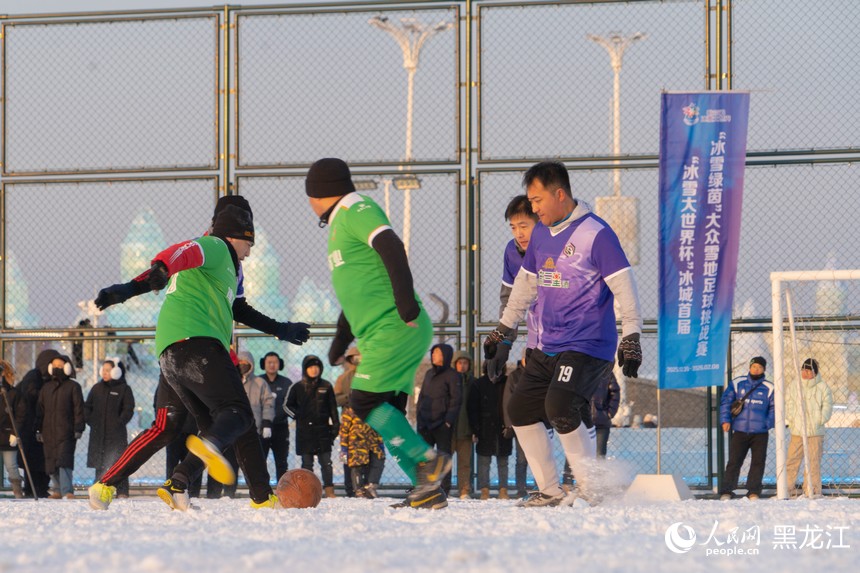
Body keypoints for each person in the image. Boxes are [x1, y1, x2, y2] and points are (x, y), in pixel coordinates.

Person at [87, 196, 309, 511]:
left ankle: (108, 486)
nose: (250, 251)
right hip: (197, 344)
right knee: (238, 414)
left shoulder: (231, 270)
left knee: (175, 424)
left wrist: (281, 329)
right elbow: (180, 253)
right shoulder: (216, 246)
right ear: (236, 234)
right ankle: (201, 482)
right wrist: (133, 286)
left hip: (172, 350)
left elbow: (237, 307)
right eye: (249, 243)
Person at [484, 161, 643, 507]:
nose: (534, 208)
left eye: (538, 200)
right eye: (530, 200)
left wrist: (631, 335)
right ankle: (551, 491)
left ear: (559, 194)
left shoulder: (596, 234)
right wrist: (503, 332)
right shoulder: (541, 233)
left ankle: (594, 491)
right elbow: (525, 287)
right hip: (549, 343)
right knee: (520, 410)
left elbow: (624, 286)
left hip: (588, 345)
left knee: (560, 406)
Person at [306, 157, 451, 510]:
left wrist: (406, 304)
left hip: (396, 326)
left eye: (309, 193)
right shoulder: (341, 221)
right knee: (389, 411)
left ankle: (428, 462)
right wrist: (340, 341)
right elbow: (356, 291)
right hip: (381, 331)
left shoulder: (356, 208)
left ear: (321, 192)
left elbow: (390, 244)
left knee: (365, 401)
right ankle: (426, 488)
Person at [486, 195, 539, 382]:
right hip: (537, 335)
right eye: (513, 227)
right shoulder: (511, 252)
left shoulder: (555, 249)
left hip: (568, 337)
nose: (519, 233)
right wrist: (504, 341)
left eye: (524, 226)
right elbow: (508, 300)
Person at [208, 351, 274, 498]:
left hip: (250, 429)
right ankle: (216, 494)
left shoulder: (259, 383)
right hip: (229, 430)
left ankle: (243, 493)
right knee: (225, 462)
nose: (243, 366)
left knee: (247, 463)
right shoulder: (228, 381)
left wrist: (267, 422)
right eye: (241, 363)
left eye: (247, 363)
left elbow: (268, 403)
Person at [719, 356, 775, 501]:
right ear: (749, 368)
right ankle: (727, 490)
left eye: (760, 367)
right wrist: (725, 420)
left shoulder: (770, 387)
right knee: (734, 461)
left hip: (760, 432)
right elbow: (726, 402)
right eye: (754, 366)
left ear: (764, 369)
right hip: (740, 430)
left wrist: (767, 423)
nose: (756, 369)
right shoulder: (737, 383)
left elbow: (774, 408)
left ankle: (753, 491)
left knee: (758, 462)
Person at [285, 355, 339, 498]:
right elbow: (286, 406)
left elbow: (333, 408)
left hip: (323, 431)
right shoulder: (297, 387)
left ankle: (329, 491)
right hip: (305, 432)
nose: (314, 370)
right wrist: (297, 415)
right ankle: (307, 491)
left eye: (316, 367)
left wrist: (335, 426)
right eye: (310, 367)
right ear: (305, 369)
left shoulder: (326, 386)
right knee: (307, 464)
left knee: (326, 463)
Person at [84, 358, 135, 498]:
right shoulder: (96, 388)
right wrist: (91, 421)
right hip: (98, 432)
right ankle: (99, 490)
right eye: (103, 370)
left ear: (116, 371)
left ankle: (122, 491)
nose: (104, 373)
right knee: (99, 463)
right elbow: (87, 407)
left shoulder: (124, 389)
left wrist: (120, 421)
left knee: (119, 462)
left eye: (108, 370)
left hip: (116, 434)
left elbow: (128, 409)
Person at [36, 355, 84, 499]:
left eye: (60, 365)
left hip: (66, 431)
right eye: (54, 365)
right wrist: (38, 429)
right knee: (51, 462)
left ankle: (67, 490)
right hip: (48, 431)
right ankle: (57, 489)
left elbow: (79, 409)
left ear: (67, 367)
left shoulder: (73, 387)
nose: (57, 368)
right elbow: (40, 411)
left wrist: (78, 428)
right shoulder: (46, 388)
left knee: (64, 461)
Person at [416, 343, 461, 496]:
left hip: (442, 425)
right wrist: (419, 420)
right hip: (426, 424)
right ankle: (423, 487)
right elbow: (421, 398)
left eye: (437, 353)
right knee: (423, 458)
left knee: (443, 458)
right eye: (433, 352)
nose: (434, 355)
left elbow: (456, 400)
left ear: (445, 356)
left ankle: (443, 489)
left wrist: (448, 421)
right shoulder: (429, 374)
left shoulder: (452, 375)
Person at [785, 358, 833, 497]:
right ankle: (787, 487)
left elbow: (827, 406)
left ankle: (812, 489)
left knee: (813, 461)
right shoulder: (794, 385)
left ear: (815, 373)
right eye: (803, 370)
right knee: (792, 460)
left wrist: (820, 419)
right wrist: (792, 419)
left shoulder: (822, 387)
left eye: (809, 370)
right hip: (798, 431)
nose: (805, 373)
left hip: (815, 431)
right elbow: (789, 403)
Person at [16, 349, 59, 498]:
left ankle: (41, 487)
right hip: (30, 425)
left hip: (42, 425)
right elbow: (30, 393)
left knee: (43, 459)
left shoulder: (50, 379)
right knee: (33, 460)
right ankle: (31, 489)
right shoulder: (34, 376)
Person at [468, 361, 513, 500]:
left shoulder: (507, 382)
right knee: (483, 461)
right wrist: (475, 428)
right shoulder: (479, 384)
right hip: (484, 427)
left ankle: (503, 490)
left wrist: (510, 425)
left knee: (503, 461)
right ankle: (484, 490)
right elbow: (472, 408)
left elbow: (512, 403)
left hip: (503, 426)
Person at [259, 351, 293, 483]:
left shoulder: (286, 383)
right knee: (260, 461)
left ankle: (282, 490)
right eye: (269, 362)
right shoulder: (258, 381)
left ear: (280, 364)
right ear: (264, 364)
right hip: (262, 428)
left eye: (275, 362)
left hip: (281, 428)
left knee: (282, 462)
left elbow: (291, 404)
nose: (272, 365)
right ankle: (262, 491)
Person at [339, 402, 385, 499]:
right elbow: (344, 429)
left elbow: (378, 427)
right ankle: (358, 490)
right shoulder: (350, 410)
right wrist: (344, 447)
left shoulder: (374, 409)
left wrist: (380, 443)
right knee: (356, 466)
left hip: (372, 441)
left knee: (379, 459)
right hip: (355, 443)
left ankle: (371, 486)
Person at [333, 346, 361, 496]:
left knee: (368, 454)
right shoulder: (343, 378)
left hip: (366, 421)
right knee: (347, 454)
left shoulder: (370, 375)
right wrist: (349, 397)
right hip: (348, 422)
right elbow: (335, 399)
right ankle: (349, 488)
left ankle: (365, 486)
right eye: (354, 357)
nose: (357, 360)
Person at [502, 351, 530, 498]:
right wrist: (509, 424)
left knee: (542, 457)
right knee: (522, 458)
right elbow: (508, 400)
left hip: (538, 422)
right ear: (523, 358)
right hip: (521, 423)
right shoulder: (514, 376)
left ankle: (544, 486)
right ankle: (521, 488)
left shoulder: (540, 375)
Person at [0, 359, 26, 498]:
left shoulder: (13, 393)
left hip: (8, 435)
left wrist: (15, 433)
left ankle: (17, 491)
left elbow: (20, 415)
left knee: (11, 465)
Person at [451, 350, 475, 499]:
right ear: (454, 364)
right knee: (445, 462)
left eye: (465, 363)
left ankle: (464, 489)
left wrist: (474, 429)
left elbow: (475, 407)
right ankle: (443, 488)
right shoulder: (448, 380)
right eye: (459, 363)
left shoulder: (473, 383)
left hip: (466, 429)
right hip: (449, 428)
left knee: (464, 463)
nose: (462, 366)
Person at [591, 371, 620, 457]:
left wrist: (609, 413)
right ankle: (569, 471)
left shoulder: (607, 372)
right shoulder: (580, 369)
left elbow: (615, 392)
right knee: (575, 454)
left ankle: (598, 471)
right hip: (581, 423)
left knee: (600, 455)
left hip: (601, 423)